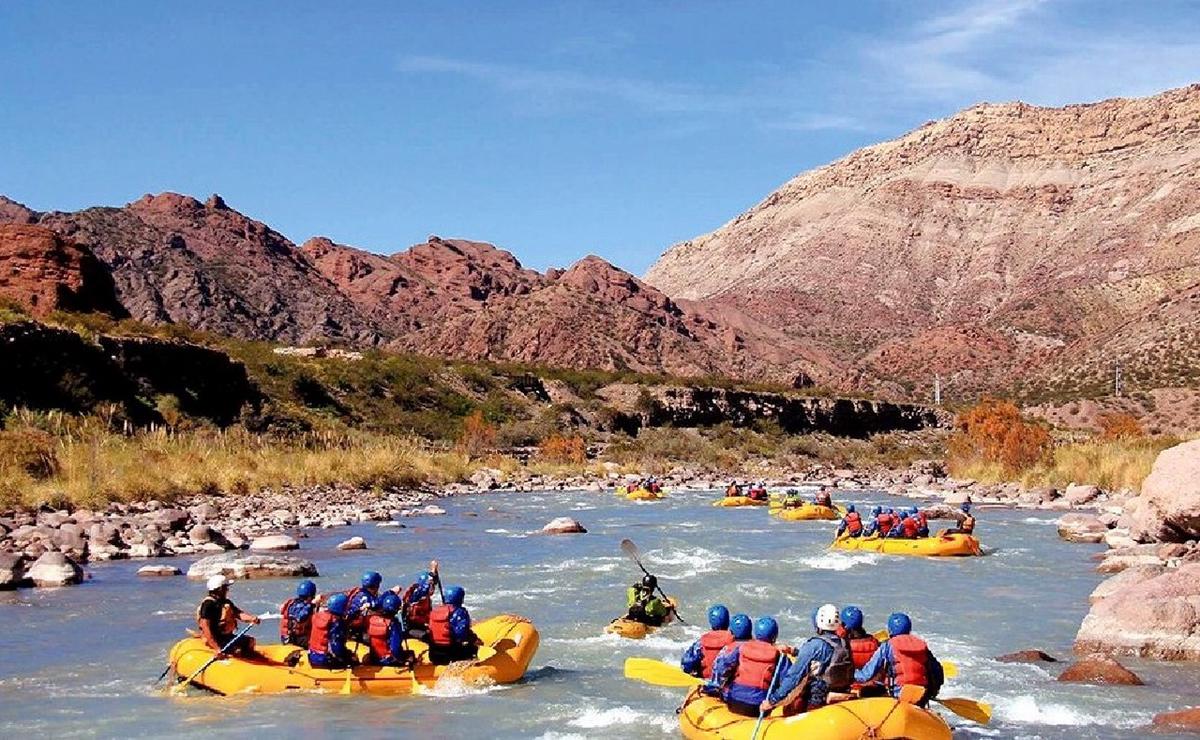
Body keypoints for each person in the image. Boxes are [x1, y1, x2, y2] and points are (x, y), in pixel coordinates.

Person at [763, 604, 853, 716]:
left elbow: (794, 676)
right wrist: (793, 651)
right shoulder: (844, 643)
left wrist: (772, 701)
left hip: (819, 697)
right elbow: (824, 657)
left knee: (796, 699)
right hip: (843, 690)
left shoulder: (813, 645)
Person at [854, 613, 944, 707]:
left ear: (890, 630)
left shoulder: (887, 646)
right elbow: (938, 672)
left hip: (899, 693)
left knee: (866, 692)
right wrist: (932, 692)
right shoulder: (922, 646)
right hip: (921, 694)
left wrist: (849, 675)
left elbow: (866, 675)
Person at [708, 616, 788, 716]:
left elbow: (722, 667)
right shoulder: (779, 655)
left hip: (733, 702)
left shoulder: (741, 648)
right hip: (758, 708)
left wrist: (717, 686)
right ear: (775, 636)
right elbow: (789, 681)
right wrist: (774, 700)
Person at [196, 574, 261, 658]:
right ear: (219, 589)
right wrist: (216, 648)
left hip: (225, 637)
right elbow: (206, 627)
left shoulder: (226, 602)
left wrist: (251, 618)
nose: (227, 590)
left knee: (250, 641)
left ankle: (251, 661)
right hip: (215, 638)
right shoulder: (208, 605)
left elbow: (238, 614)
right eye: (226, 588)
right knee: (237, 650)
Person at [428, 585, 482, 665]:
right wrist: (474, 639)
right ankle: (473, 668)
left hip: (434, 655)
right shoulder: (459, 612)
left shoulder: (435, 611)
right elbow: (461, 633)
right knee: (472, 648)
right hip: (451, 655)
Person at [681, 604, 733, 678]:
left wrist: (691, 671)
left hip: (706, 680)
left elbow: (687, 662)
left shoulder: (701, 642)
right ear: (728, 621)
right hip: (728, 682)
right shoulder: (734, 641)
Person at [365, 592, 414, 667]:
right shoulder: (393, 624)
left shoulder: (372, 620)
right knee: (410, 654)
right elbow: (395, 648)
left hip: (375, 659)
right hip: (389, 660)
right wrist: (401, 659)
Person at [308, 592, 355, 668]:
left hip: (312, 656)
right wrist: (348, 656)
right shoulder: (335, 623)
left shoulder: (319, 616)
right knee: (353, 661)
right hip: (325, 659)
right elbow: (337, 648)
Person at [399, 562, 438, 639]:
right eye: (432, 585)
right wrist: (433, 569)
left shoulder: (423, 596)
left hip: (420, 624)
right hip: (412, 627)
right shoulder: (417, 593)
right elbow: (426, 586)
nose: (432, 588)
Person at [839, 605, 880, 671]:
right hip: (870, 679)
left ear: (844, 625)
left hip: (850, 679)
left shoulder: (843, 647)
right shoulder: (875, 643)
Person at [279, 579, 318, 648]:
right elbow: (300, 618)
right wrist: (312, 604)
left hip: (287, 637)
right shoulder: (307, 607)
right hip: (294, 639)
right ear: (310, 596)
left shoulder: (291, 603)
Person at [345, 571, 383, 637]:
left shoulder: (357, 593)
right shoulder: (367, 598)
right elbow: (376, 606)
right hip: (358, 627)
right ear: (376, 585)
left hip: (349, 623)